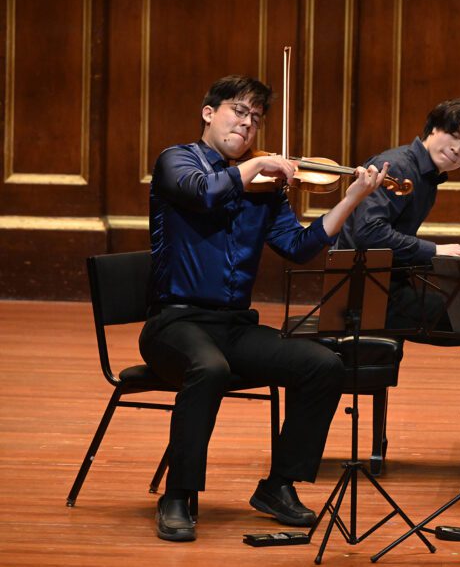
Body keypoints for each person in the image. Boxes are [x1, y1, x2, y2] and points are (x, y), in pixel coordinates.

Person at [139, 75, 388, 542]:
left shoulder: (264, 188)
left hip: (233, 326)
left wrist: (351, 199)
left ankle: (278, 487)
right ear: (208, 112)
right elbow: (203, 193)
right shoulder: (176, 161)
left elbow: (298, 246)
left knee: (322, 364)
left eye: (256, 119)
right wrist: (256, 167)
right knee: (208, 369)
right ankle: (177, 496)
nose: (247, 124)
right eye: (239, 111)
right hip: (174, 322)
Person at [336, 98, 460, 438]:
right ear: (433, 128)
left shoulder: (424, 174)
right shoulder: (397, 166)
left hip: (387, 289)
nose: (458, 150)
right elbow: (368, 235)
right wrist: (439, 251)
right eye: (453, 135)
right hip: (364, 296)